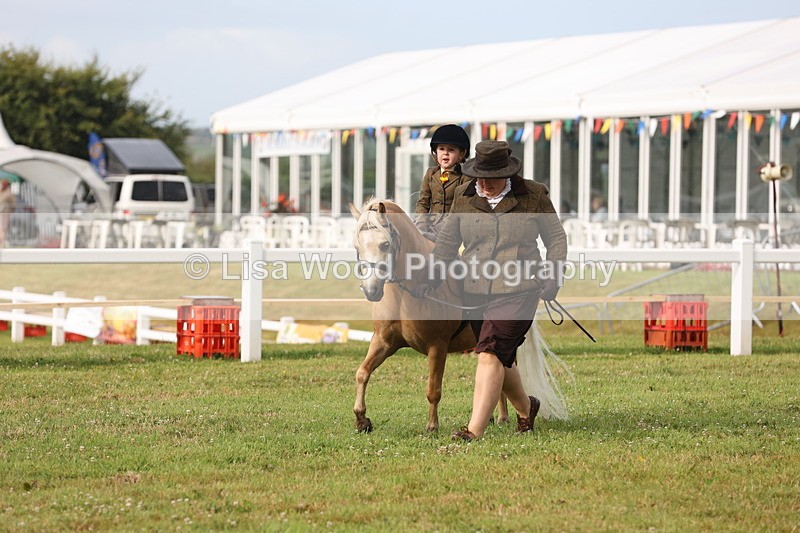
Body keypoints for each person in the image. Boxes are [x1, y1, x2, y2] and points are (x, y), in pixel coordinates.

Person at [413, 140, 568, 441]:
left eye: (492, 177)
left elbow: (556, 239)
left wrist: (553, 275)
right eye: (480, 175)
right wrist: (431, 276)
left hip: (520, 288)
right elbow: (446, 244)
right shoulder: (464, 194)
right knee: (498, 354)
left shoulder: (533, 195)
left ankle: (474, 431)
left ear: (508, 173)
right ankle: (527, 408)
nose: (484, 183)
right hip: (474, 290)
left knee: (489, 353)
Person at [414, 124, 471, 240]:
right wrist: (421, 222)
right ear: (436, 151)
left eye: (451, 150)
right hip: (429, 225)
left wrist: (443, 227)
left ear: (461, 154)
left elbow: (460, 208)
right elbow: (423, 202)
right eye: (441, 149)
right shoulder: (431, 173)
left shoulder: (464, 177)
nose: (445, 153)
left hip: (455, 228)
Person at [0, 179, 16, 247]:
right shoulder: (5, 193)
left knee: (3, 228)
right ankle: (2, 241)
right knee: (3, 228)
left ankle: (2, 242)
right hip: (4, 212)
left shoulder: (7, 193)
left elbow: (13, 204)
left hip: (4, 212)